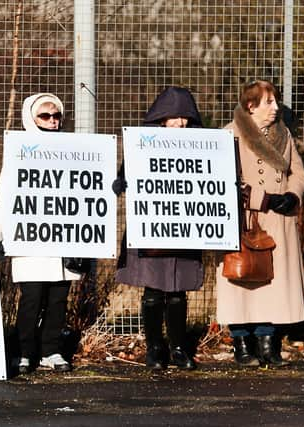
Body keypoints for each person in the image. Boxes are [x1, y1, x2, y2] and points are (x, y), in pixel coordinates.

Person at [216, 79, 304, 367]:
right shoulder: (229, 135)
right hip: (246, 219)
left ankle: (269, 343)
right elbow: (226, 181)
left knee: (274, 284)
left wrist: (293, 196)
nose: (276, 107)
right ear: (250, 106)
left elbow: (298, 172)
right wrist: (263, 199)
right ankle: (242, 344)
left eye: (275, 101)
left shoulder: (284, 135)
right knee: (241, 280)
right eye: (269, 102)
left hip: (280, 220)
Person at [0, 93, 80, 373]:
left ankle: (51, 351)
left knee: (57, 299)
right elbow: (5, 197)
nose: (52, 122)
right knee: (31, 299)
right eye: (45, 116)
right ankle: (25, 352)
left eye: (56, 116)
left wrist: (86, 245)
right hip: (30, 242)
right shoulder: (20, 152)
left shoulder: (75, 150)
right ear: (31, 117)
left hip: (64, 241)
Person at [113, 86, 203, 370]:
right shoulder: (142, 144)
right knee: (153, 291)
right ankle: (154, 348)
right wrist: (121, 182)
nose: (180, 123)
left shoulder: (201, 145)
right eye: (174, 117)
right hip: (152, 226)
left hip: (186, 226)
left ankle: (178, 347)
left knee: (178, 291)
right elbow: (125, 173)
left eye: (184, 117)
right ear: (162, 118)